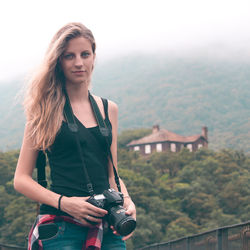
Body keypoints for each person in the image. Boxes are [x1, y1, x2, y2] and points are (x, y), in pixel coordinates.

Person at [14, 22, 136, 250]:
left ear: (93, 57)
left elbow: (112, 175)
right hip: (61, 228)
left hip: (106, 225)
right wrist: (65, 203)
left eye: (85, 54)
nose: (79, 62)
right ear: (58, 61)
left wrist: (127, 202)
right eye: (69, 56)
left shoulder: (109, 109)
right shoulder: (43, 111)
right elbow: (21, 179)